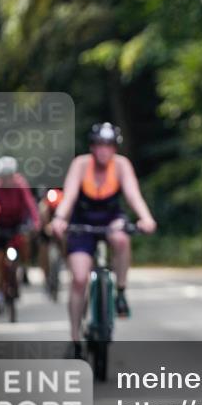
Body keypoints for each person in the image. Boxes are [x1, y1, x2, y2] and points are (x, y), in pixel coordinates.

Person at [51, 123, 157, 358]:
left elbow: (133, 195)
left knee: (121, 239)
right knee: (79, 279)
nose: (103, 150)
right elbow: (68, 197)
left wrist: (146, 218)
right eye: (99, 145)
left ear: (114, 148)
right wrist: (59, 219)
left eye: (109, 145)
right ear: (92, 147)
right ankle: (75, 339)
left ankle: (120, 291)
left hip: (111, 219)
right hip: (82, 222)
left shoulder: (121, 166)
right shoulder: (80, 165)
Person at [0, 157, 40, 313]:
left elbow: (30, 205)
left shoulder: (21, 185)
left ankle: (22, 268)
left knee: (25, 243)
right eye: (3, 176)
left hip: (16, 225)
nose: (6, 180)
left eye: (9, 176)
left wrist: (36, 222)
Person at [37, 188, 66, 286]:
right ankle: (45, 273)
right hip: (46, 225)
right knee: (43, 248)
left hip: (60, 223)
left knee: (66, 242)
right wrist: (45, 226)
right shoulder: (44, 204)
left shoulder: (62, 196)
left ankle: (67, 263)